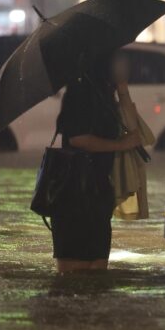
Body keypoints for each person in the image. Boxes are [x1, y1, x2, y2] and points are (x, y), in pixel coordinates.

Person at [51, 53, 142, 273]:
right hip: (73, 192)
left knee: (98, 268)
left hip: (99, 191)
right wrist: (121, 145)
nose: (125, 65)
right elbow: (78, 139)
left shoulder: (108, 95)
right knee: (72, 271)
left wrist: (122, 89)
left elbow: (135, 130)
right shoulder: (78, 92)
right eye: (118, 61)